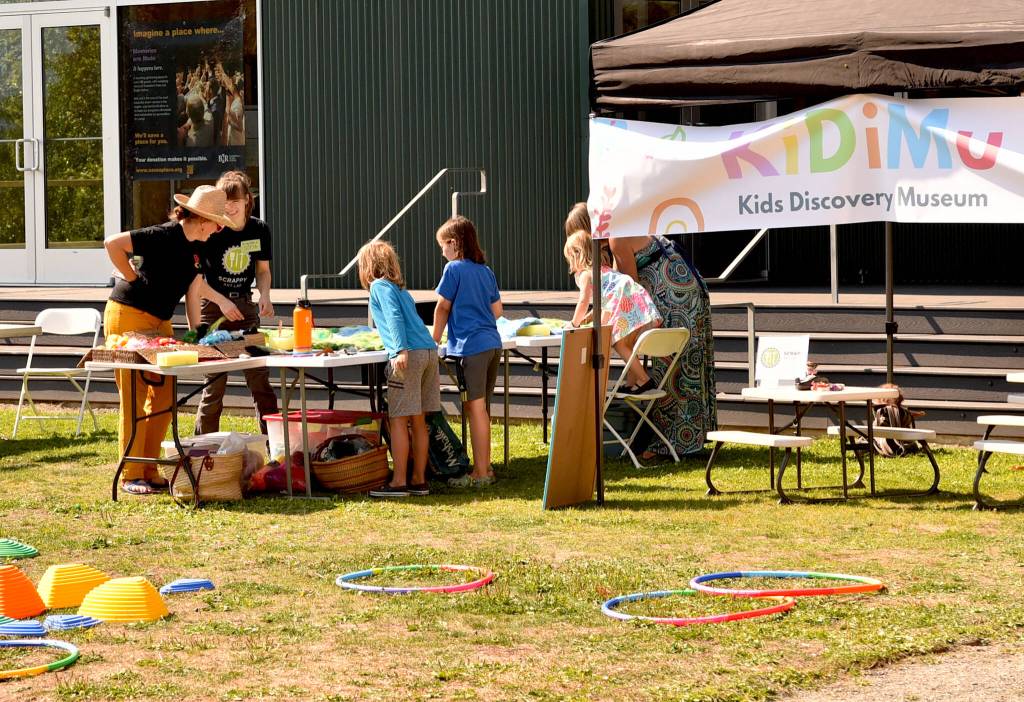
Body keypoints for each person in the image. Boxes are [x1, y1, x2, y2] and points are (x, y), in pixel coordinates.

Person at [104, 185, 234, 495]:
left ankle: (150, 468)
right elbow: (112, 244)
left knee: (163, 394)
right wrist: (133, 278)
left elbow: (193, 292)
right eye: (217, 223)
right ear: (202, 219)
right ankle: (130, 474)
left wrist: (196, 335)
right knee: (135, 395)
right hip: (128, 315)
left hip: (161, 321)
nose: (219, 230)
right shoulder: (162, 235)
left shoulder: (199, 247)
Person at [564, 202, 717, 458]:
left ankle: (672, 443)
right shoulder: (622, 227)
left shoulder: (615, 239)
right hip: (687, 288)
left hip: (675, 296)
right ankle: (690, 439)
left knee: (672, 368)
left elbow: (629, 284)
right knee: (685, 362)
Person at [194, 171, 278, 435]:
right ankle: (204, 452)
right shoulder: (210, 229)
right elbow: (196, 283)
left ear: (246, 201)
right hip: (212, 311)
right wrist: (220, 301)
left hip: (246, 309)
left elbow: (262, 270)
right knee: (214, 385)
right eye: (223, 201)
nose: (228, 206)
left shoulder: (259, 229)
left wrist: (264, 294)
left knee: (260, 381)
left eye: (234, 200)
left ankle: (273, 447)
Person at [357, 241, 440, 498]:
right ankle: (419, 479)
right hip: (429, 352)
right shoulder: (401, 290)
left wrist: (398, 350)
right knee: (419, 420)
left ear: (368, 266)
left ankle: (399, 481)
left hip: (409, 355)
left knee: (398, 419)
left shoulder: (379, 287)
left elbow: (393, 318)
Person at [432, 216, 502, 488]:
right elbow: (497, 311)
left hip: (471, 348)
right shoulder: (485, 271)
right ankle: (486, 467)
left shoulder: (453, 269)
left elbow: (442, 307)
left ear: (454, 243)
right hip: (492, 345)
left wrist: (434, 341)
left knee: (475, 410)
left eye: (443, 245)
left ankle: (481, 472)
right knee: (482, 409)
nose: (442, 252)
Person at [563, 230, 662, 392]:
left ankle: (644, 380)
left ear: (576, 255)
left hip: (625, 299)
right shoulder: (602, 270)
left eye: (569, 259)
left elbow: (583, 301)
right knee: (627, 343)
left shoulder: (585, 275)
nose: (570, 264)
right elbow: (605, 301)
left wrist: (573, 323)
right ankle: (632, 383)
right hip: (635, 298)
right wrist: (588, 318)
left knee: (618, 342)